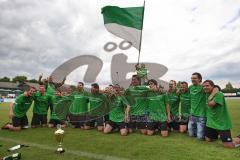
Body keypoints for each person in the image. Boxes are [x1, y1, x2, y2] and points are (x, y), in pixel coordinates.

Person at [203, 80, 239, 148]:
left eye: (207, 85)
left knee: (229, 146)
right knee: (208, 139)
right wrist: (212, 93)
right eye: (204, 86)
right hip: (211, 122)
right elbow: (216, 87)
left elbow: (211, 104)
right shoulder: (206, 93)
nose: (205, 87)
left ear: (212, 86)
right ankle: (220, 135)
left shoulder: (219, 94)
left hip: (222, 123)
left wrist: (211, 96)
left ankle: (238, 138)